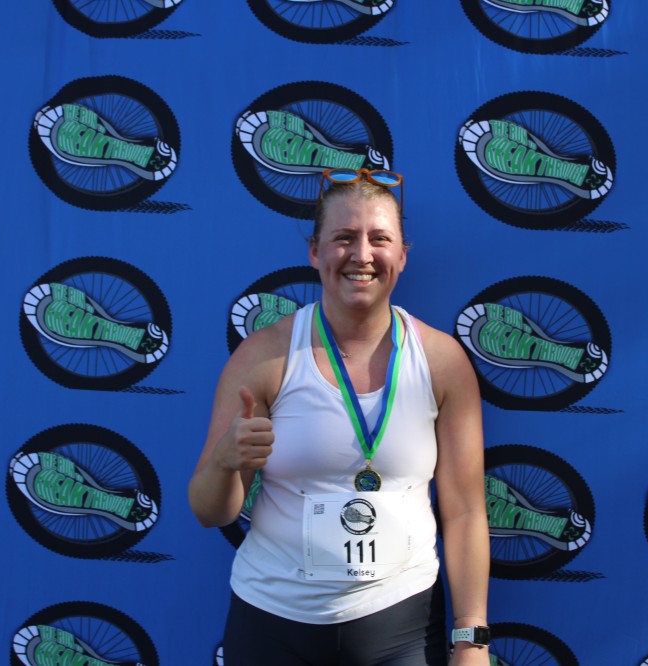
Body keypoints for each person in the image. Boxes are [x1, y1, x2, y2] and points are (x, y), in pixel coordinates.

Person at [189, 169, 489, 665]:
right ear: (315, 251)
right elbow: (209, 512)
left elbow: (465, 511)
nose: (362, 255)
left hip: (403, 623)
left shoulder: (442, 362)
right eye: (344, 238)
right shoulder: (265, 356)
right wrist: (225, 462)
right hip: (272, 622)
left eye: (380, 239)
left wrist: (471, 638)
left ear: (403, 255)